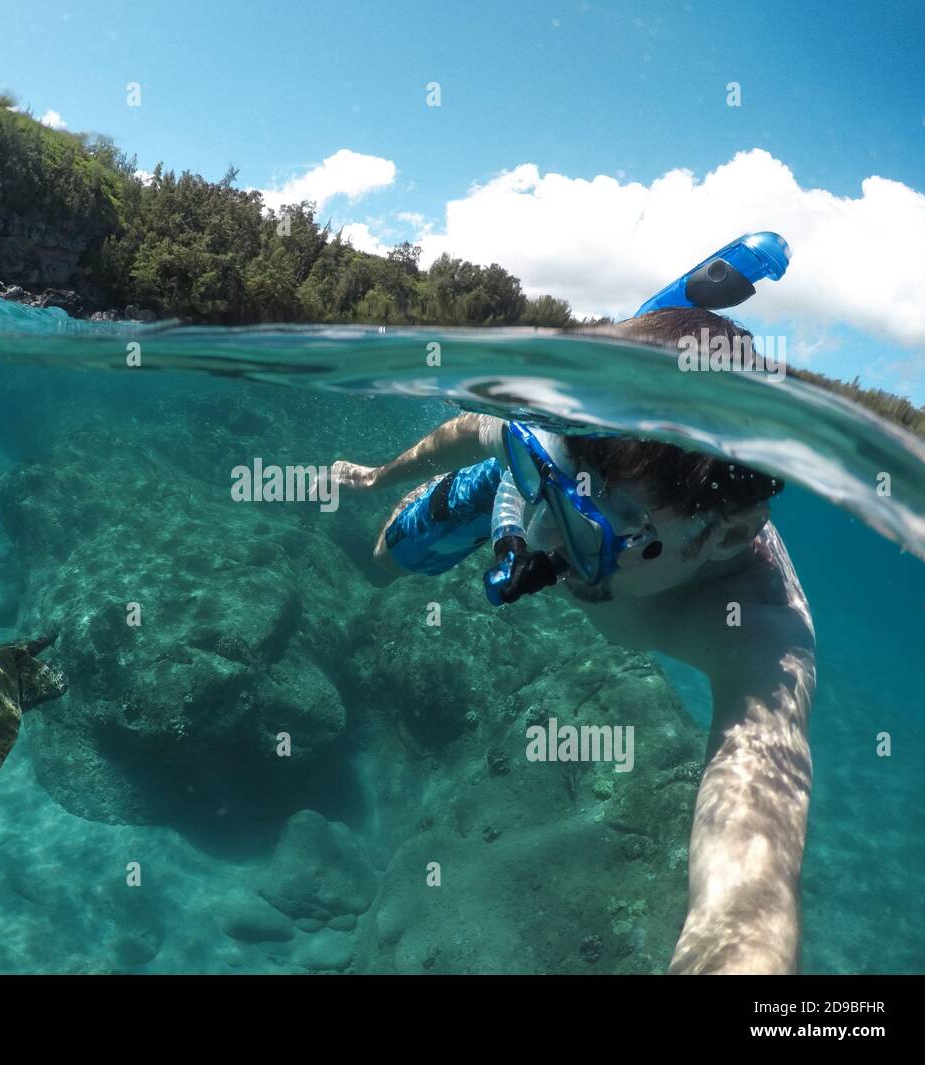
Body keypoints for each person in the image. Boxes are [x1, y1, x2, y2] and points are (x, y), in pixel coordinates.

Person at [331, 242, 816, 974]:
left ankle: (680, 298)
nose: (541, 537)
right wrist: (375, 478)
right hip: (513, 473)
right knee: (381, 558)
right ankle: (675, 303)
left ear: (726, 534)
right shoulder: (549, 454)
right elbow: (472, 431)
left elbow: (749, 893)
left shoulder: (763, 635)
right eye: (551, 474)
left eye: (598, 523)